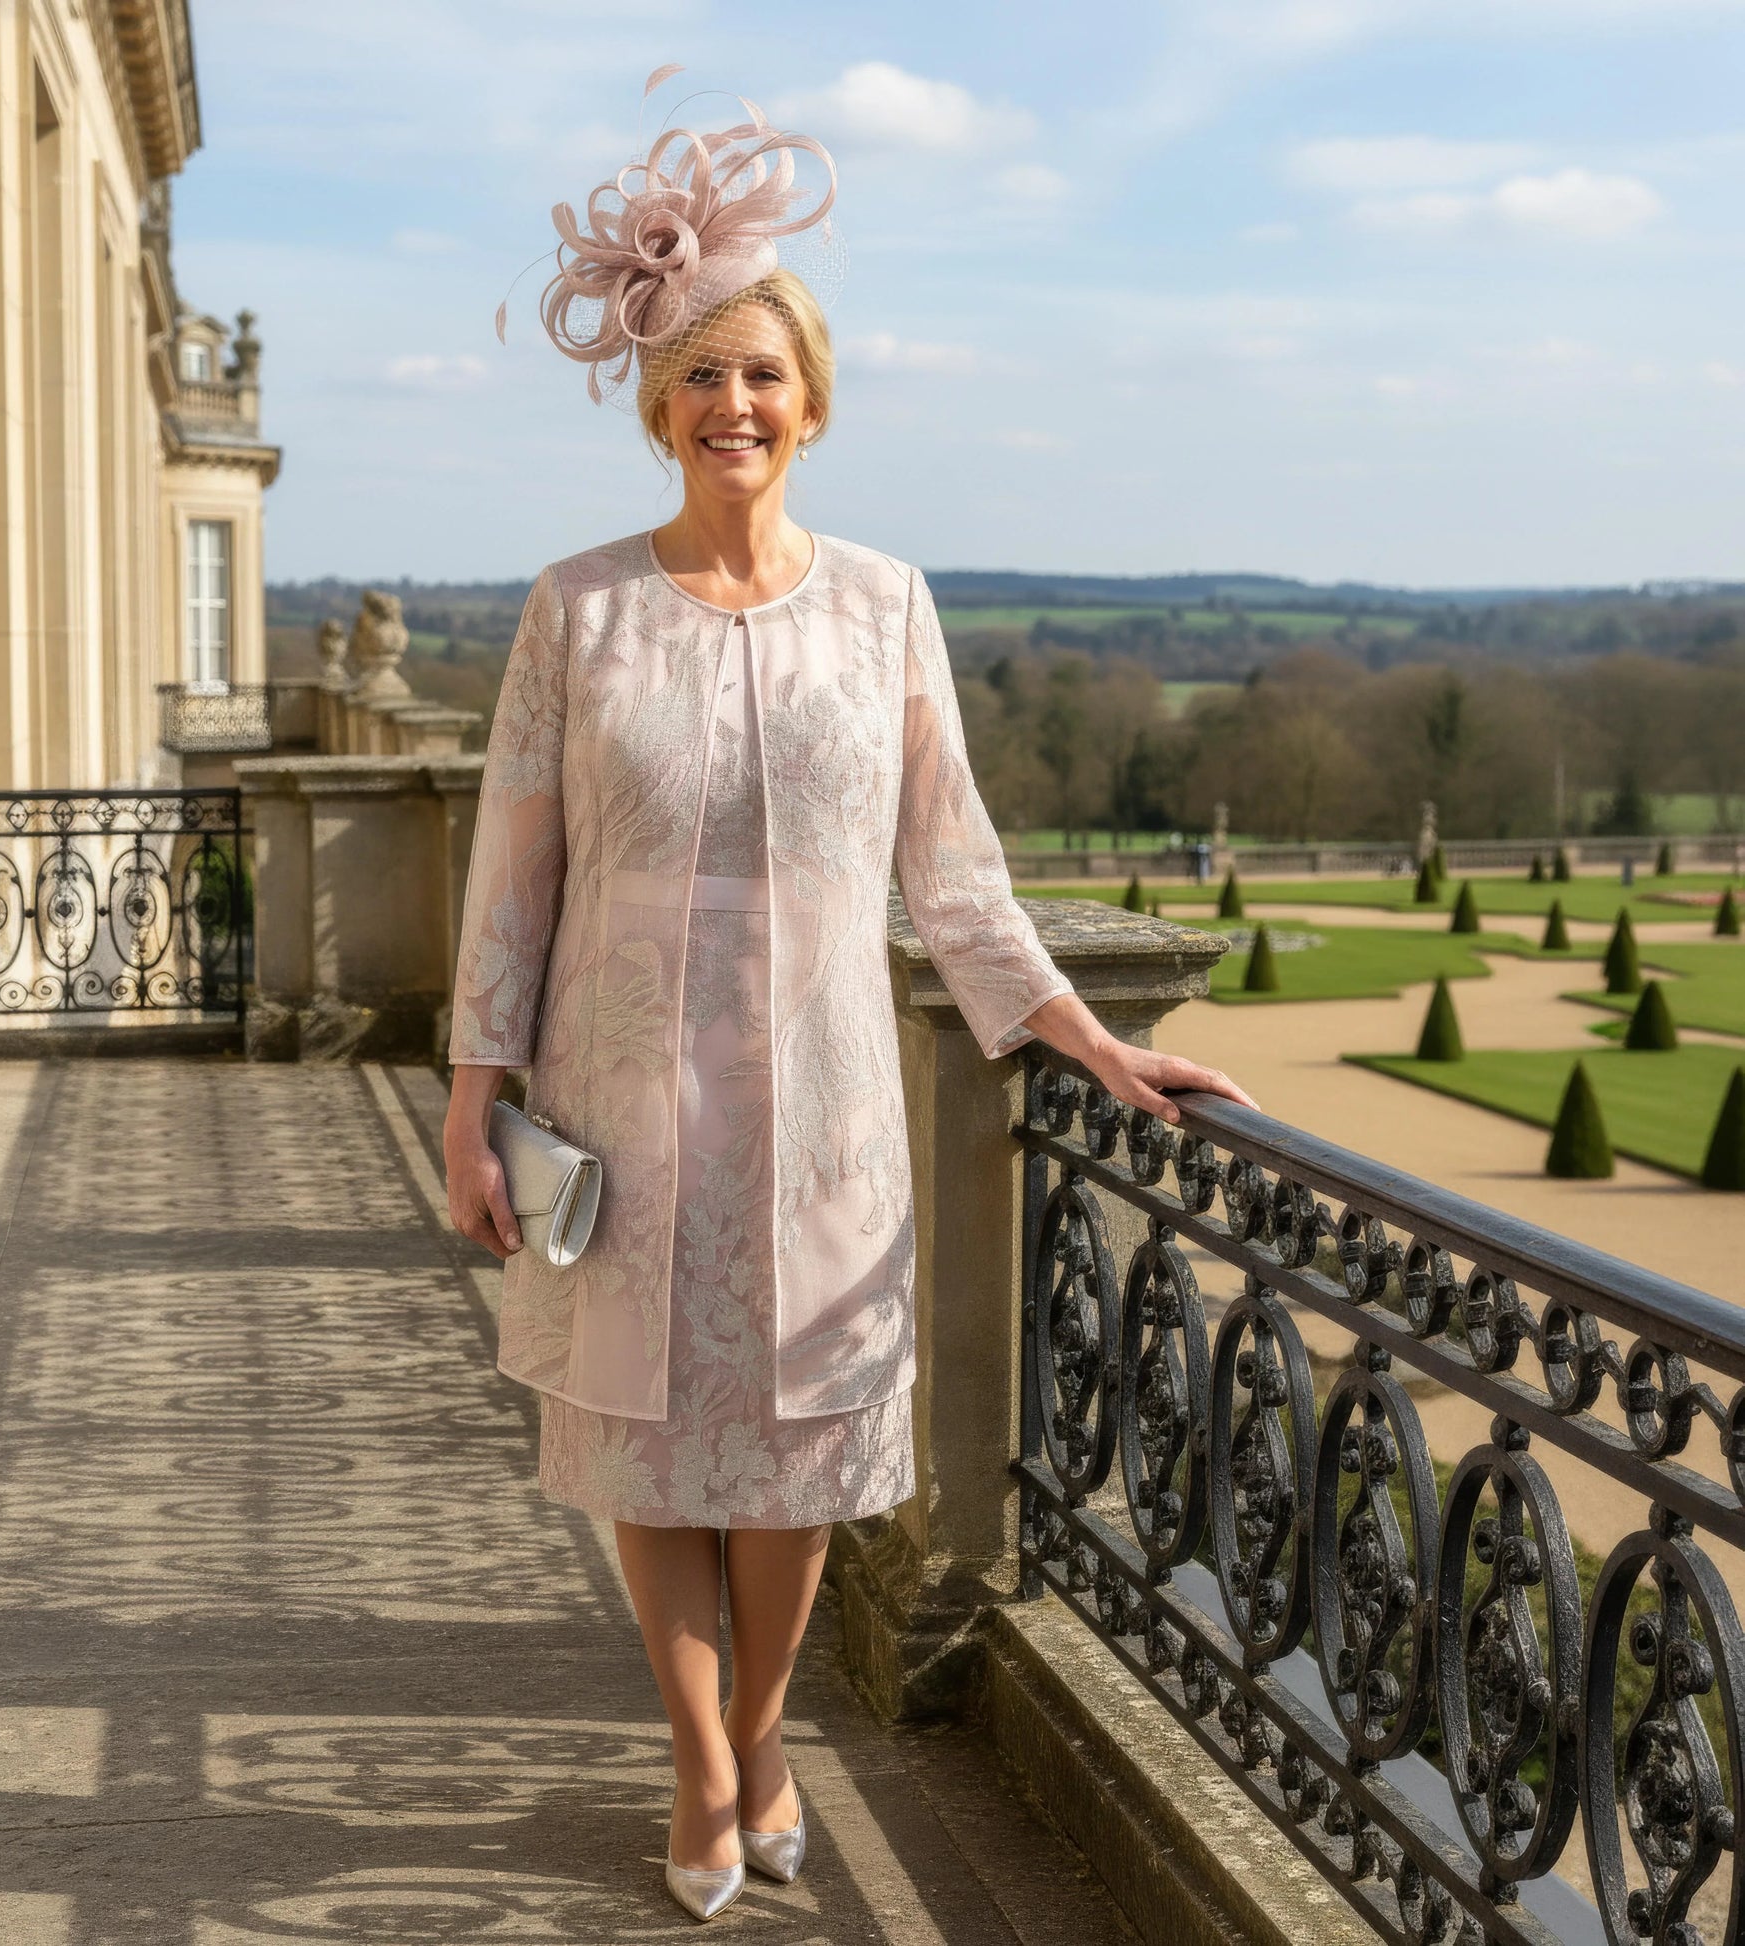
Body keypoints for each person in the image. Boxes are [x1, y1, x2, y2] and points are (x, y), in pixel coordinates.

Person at [441, 86, 1257, 1924]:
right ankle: (702, 1755)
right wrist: (467, 1099)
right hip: (616, 1095)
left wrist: (1089, 1036)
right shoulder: (573, 614)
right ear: (657, 406)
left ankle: (767, 1723)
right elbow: (512, 876)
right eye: (700, 377)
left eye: (765, 376)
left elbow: (952, 874)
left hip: (822, 1102)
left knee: (794, 1452)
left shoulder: (888, 606)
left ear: (811, 402)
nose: (734, 406)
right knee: (648, 1442)